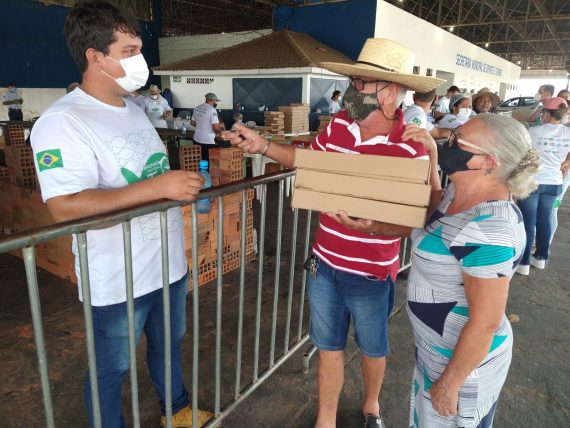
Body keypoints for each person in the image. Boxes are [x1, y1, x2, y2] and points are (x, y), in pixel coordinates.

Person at [225, 37, 445, 428]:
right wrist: (263, 145)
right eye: (355, 83)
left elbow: (417, 217)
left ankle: (371, 406)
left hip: (372, 273)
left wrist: (374, 226)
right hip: (325, 265)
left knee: (372, 348)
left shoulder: (409, 146)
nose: (353, 93)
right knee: (327, 346)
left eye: (363, 85)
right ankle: (325, 416)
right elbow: (304, 160)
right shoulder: (339, 126)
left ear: (390, 93)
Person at [30, 2, 210, 427]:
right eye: (129, 50)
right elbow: (65, 208)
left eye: (138, 49)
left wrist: (171, 188)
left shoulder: (132, 110)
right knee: (112, 367)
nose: (140, 61)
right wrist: (158, 187)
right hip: (117, 279)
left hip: (166, 266)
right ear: (95, 56)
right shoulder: (62, 123)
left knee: (169, 346)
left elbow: (150, 176)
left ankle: (177, 411)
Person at [333, 115, 538, 427]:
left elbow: (485, 323)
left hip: (465, 371)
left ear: (486, 161)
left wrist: (450, 383)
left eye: (458, 140)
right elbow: (433, 225)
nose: (448, 142)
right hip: (437, 350)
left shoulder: (490, 229)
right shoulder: (461, 192)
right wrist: (374, 226)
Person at [516, 97, 570, 275]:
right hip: (554, 182)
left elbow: (522, 155)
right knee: (544, 220)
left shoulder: (534, 131)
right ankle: (541, 259)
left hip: (533, 181)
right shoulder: (568, 133)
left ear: (546, 112)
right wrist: (565, 163)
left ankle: (523, 263)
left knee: (528, 221)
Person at [191, 92, 222, 162]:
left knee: (198, 160)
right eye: (216, 101)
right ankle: (206, 173)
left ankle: (198, 173)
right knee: (208, 162)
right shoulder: (212, 110)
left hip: (196, 139)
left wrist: (202, 125)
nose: (216, 103)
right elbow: (215, 127)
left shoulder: (197, 107)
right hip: (208, 141)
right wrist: (221, 132)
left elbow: (192, 123)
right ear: (211, 100)